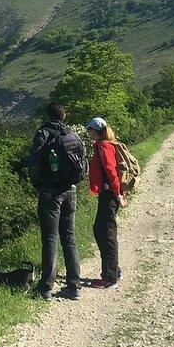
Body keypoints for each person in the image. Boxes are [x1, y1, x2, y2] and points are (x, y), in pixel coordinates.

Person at [28, 103, 86, 300]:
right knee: (69, 238)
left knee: (50, 238)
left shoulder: (43, 134)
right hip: (71, 191)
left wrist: (38, 184)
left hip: (50, 192)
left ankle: (45, 288)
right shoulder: (72, 135)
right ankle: (74, 287)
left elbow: (34, 163)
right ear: (64, 116)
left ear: (47, 116)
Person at [87, 116, 126, 289]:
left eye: (89, 130)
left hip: (109, 194)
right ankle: (113, 271)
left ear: (95, 131)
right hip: (108, 193)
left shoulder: (103, 146)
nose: (88, 133)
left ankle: (110, 278)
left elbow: (111, 171)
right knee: (101, 230)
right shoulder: (105, 145)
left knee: (106, 234)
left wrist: (118, 193)